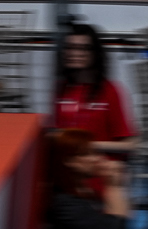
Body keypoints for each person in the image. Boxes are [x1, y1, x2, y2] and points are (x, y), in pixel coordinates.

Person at [54, 22, 137, 151]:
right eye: (70, 47)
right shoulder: (59, 89)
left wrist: (87, 146)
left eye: (82, 48)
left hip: (99, 166)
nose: (74, 53)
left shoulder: (109, 90)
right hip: (66, 167)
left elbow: (130, 144)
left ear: (94, 53)